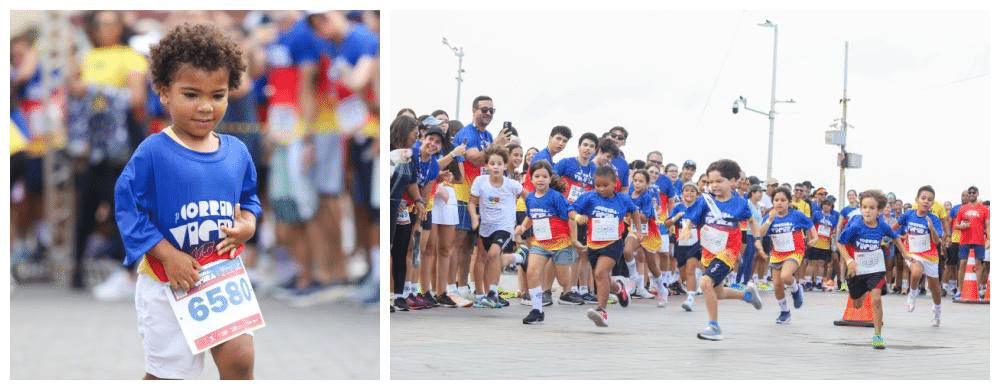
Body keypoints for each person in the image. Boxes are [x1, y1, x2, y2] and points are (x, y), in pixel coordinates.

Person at [115, 22, 261, 379]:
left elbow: (249, 201)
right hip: (168, 281)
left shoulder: (237, 152)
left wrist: (248, 225)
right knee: (170, 376)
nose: (205, 107)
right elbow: (128, 208)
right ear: (164, 92)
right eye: (191, 94)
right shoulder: (153, 151)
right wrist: (168, 255)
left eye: (218, 95)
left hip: (222, 277)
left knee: (240, 361)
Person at [677, 159, 763, 340]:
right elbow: (692, 218)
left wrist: (756, 240)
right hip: (709, 252)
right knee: (718, 292)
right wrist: (686, 230)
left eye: (719, 181)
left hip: (729, 251)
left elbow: (752, 221)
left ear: (732, 181)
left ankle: (714, 327)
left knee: (705, 283)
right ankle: (746, 295)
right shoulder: (705, 201)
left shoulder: (740, 203)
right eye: (710, 182)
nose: (714, 185)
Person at [837, 189, 909, 349]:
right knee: (856, 304)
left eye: (871, 208)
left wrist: (905, 253)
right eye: (864, 207)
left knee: (876, 298)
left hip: (876, 267)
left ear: (879, 210)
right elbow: (840, 242)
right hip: (857, 267)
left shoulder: (882, 225)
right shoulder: (855, 224)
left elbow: (896, 237)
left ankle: (877, 336)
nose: (867, 211)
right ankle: (862, 291)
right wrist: (849, 261)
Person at [570, 165, 641, 327]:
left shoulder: (622, 199)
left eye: (605, 185)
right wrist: (578, 217)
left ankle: (602, 311)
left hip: (613, 242)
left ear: (615, 183)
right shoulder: (589, 197)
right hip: (594, 244)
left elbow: (634, 211)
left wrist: (637, 231)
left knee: (600, 273)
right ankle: (618, 289)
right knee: (604, 277)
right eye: (598, 185)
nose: (601, 189)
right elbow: (571, 210)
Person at [516, 160, 578, 324]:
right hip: (540, 242)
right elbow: (530, 216)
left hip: (561, 244)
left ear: (550, 179)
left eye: (544, 176)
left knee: (564, 282)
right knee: (532, 272)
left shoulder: (556, 197)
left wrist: (574, 240)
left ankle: (567, 291)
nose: (540, 179)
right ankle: (537, 310)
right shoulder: (529, 198)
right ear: (531, 178)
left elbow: (571, 215)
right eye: (537, 176)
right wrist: (522, 227)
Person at [468, 145, 524, 308]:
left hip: (504, 226)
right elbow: (472, 203)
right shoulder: (480, 182)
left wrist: (527, 219)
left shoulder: (511, 184)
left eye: (499, 163)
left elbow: (529, 197)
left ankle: (492, 293)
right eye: (492, 163)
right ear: (486, 166)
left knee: (493, 254)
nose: (496, 167)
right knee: (480, 258)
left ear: (505, 166)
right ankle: (480, 294)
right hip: (485, 226)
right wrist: (474, 219)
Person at [757, 187, 817, 324]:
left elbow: (810, 224)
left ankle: (796, 289)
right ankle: (784, 311)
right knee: (777, 284)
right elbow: (760, 233)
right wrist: (768, 221)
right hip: (777, 253)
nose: (779, 203)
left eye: (783, 200)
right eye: (776, 200)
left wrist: (815, 237)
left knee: (785, 276)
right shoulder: (769, 217)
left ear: (789, 202)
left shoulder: (796, 215)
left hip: (795, 251)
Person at [554, 132, 599, 304]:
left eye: (591, 146)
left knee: (584, 253)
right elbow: (552, 178)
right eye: (585, 145)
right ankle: (568, 290)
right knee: (570, 252)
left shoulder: (594, 169)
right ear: (579, 146)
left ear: (595, 150)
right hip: (566, 213)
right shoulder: (566, 163)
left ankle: (583, 290)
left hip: (583, 216)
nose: (588, 149)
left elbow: (596, 192)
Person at [893, 185, 945, 326]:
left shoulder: (933, 219)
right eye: (923, 198)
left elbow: (936, 240)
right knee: (916, 272)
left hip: (930, 256)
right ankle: (912, 294)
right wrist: (896, 240)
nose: (926, 201)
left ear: (932, 204)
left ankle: (937, 311)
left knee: (935, 290)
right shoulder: (908, 215)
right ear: (917, 199)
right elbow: (892, 229)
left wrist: (931, 228)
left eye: (929, 200)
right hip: (913, 253)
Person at [625, 169, 669, 306]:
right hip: (634, 230)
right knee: (627, 251)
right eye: (635, 180)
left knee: (652, 265)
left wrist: (633, 213)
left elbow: (645, 217)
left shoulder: (647, 196)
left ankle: (662, 289)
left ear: (647, 183)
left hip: (648, 232)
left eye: (641, 181)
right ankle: (634, 277)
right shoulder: (629, 195)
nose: (637, 184)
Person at [669, 181, 702, 311]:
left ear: (697, 194)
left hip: (696, 242)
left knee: (690, 271)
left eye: (692, 191)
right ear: (682, 193)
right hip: (681, 241)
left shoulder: (700, 207)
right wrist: (675, 218)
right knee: (683, 274)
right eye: (686, 190)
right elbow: (666, 224)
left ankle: (690, 299)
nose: (689, 193)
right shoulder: (677, 207)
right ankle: (693, 280)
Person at [954, 185, 990, 298]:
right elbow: (956, 225)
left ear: (977, 194)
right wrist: (962, 226)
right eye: (969, 193)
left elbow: (988, 225)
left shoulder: (984, 209)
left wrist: (989, 239)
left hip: (979, 240)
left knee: (979, 265)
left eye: (973, 193)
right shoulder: (962, 208)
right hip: (964, 240)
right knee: (963, 264)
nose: (971, 195)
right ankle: (960, 290)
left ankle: (977, 290)